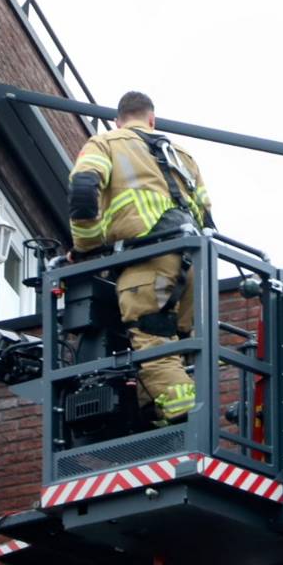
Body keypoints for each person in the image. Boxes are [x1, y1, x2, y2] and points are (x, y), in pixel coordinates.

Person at [68, 91, 214, 425]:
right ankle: (156, 419)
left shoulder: (106, 143)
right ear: (152, 120)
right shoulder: (182, 155)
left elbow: (83, 192)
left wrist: (85, 249)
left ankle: (187, 421)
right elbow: (209, 220)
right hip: (193, 265)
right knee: (178, 345)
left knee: (152, 342)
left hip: (149, 261)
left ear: (118, 121)